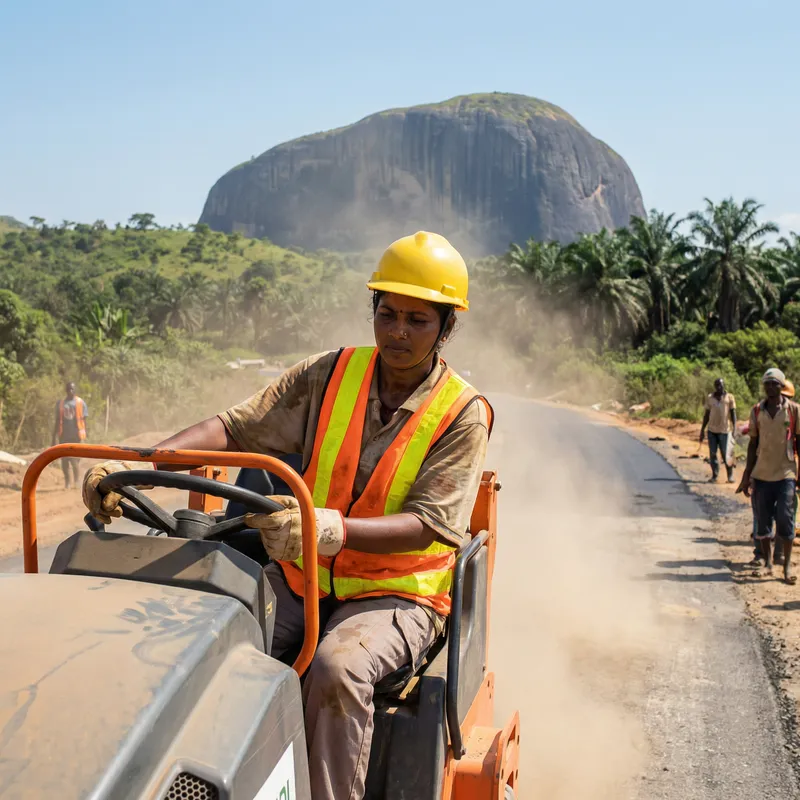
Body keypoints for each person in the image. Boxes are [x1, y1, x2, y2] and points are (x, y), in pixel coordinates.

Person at [80, 231, 492, 800]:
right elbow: (233, 427)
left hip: (397, 594)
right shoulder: (329, 374)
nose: (398, 331)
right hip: (303, 580)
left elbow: (431, 524)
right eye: (388, 313)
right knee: (206, 640)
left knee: (337, 669)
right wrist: (139, 465)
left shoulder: (463, 414)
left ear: (446, 328)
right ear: (372, 310)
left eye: (417, 320)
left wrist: (330, 529)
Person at [736, 368, 800, 584]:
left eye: (775, 383)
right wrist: (746, 476)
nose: (771, 387)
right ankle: (768, 564)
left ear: (782, 386)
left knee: (785, 518)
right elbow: (753, 444)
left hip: (786, 473)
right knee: (763, 522)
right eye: (767, 383)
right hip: (762, 474)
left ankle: (786, 568)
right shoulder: (756, 411)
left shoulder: (794, 411)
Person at [699, 377, 737, 483]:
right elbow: (706, 415)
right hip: (712, 431)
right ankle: (715, 476)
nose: (719, 387)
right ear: (715, 386)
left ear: (724, 385)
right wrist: (702, 430)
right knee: (713, 454)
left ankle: (730, 476)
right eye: (717, 385)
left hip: (725, 431)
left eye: (721, 385)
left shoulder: (729, 397)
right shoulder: (710, 397)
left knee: (726, 454)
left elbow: (733, 414)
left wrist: (735, 429)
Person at [52, 381, 88, 489]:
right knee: (64, 460)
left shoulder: (80, 402)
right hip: (63, 436)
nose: (70, 391)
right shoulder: (61, 403)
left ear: (75, 390)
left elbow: (84, 419)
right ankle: (67, 482)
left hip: (76, 436)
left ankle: (76, 481)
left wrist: (85, 434)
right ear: (66, 390)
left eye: (72, 389)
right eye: (69, 389)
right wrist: (53, 437)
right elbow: (57, 420)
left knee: (74, 459)